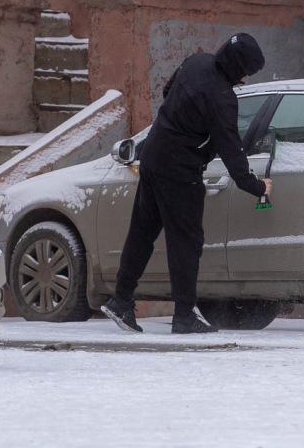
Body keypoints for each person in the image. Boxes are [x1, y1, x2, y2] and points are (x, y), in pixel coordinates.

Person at [101, 33, 272, 334]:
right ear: (237, 65)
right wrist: (257, 186)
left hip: (152, 155)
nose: (245, 77)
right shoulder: (221, 98)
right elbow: (232, 151)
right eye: (247, 71)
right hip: (179, 171)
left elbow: (168, 90)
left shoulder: (196, 61)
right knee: (186, 242)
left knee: (142, 233)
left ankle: (121, 300)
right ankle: (183, 316)